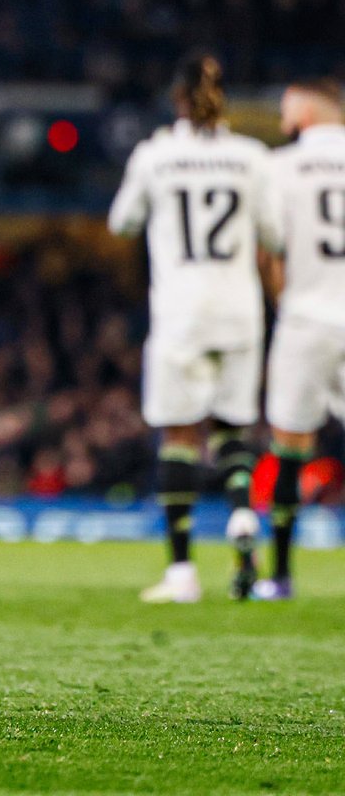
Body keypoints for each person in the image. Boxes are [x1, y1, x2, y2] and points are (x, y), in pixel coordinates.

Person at [108, 55, 281, 602]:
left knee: (180, 435)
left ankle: (182, 572)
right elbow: (275, 235)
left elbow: (122, 222)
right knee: (232, 429)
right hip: (239, 312)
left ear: (177, 100)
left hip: (181, 314)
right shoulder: (252, 157)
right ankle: (242, 514)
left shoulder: (156, 155)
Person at [253, 80, 345, 600]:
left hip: (307, 318)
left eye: (287, 109)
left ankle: (282, 576)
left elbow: (268, 249)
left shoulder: (280, 167)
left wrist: (285, 300)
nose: (283, 119)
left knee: (290, 447)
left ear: (306, 112)